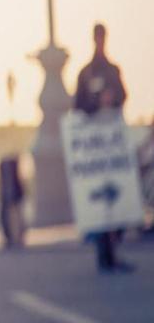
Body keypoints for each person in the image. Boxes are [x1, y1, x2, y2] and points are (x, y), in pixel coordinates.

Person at [74, 22, 133, 274]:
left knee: (117, 198)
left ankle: (113, 250)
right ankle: (103, 253)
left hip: (111, 148)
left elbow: (123, 95)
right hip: (94, 150)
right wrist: (97, 102)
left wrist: (112, 99)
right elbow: (78, 104)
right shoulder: (86, 73)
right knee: (97, 202)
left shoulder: (112, 70)